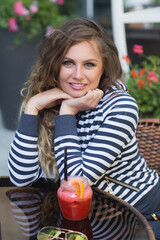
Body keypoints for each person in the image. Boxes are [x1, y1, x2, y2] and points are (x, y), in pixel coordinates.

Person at [8, 18, 160, 238]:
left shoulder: (121, 107)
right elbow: (21, 180)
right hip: (90, 221)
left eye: (89, 64)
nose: (78, 75)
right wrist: (32, 107)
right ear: (54, 64)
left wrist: (68, 113)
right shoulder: (52, 100)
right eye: (68, 62)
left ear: (103, 68)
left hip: (142, 216)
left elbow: (76, 183)